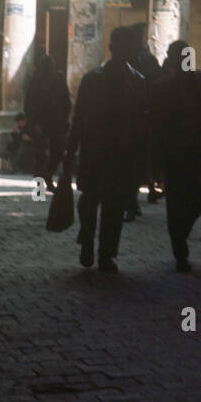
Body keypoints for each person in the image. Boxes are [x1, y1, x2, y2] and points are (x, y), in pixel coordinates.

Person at [63, 25, 148, 273]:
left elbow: (142, 123)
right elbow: (79, 118)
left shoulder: (138, 81)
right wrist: (70, 151)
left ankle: (107, 253)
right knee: (89, 201)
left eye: (133, 45)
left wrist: (141, 158)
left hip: (122, 153)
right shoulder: (93, 79)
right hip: (95, 151)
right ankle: (88, 240)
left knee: (114, 205)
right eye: (127, 45)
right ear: (113, 48)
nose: (132, 50)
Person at [149, 41, 201, 272]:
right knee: (175, 201)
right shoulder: (161, 88)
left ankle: (181, 234)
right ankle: (179, 248)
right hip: (174, 152)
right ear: (172, 59)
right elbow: (156, 126)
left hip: (197, 150)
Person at [124, 24, 162, 217]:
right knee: (139, 160)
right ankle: (135, 198)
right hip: (140, 119)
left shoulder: (136, 63)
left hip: (137, 119)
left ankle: (133, 200)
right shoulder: (145, 61)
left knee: (136, 161)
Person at [24, 54, 70, 189]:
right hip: (40, 122)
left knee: (58, 151)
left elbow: (66, 101)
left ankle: (48, 176)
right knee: (40, 155)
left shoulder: (59, 79)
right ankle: (39, 188)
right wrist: (34, 123)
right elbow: (29, 104)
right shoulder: (36, 81)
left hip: (57, 121)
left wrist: (66, 120)